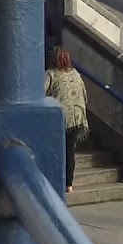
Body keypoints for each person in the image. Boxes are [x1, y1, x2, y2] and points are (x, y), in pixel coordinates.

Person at [44, 46, 87, 193]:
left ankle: (54, 180)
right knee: (69, 151)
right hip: (78, 117)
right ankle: (69, 184)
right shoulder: (76, 74)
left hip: (61, 118)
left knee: (56, 149)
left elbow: (41, 94)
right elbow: (84, 94)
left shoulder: (51, 74)